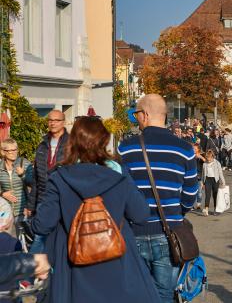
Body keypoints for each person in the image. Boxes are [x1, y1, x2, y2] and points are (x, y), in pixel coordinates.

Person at [31, 116, 161, 303]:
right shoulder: (117, 175)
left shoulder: (59, 178)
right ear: (104, 141)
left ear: (72, 142)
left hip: (72, 267)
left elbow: (43, 224)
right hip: (117, 264)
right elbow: (141, 214)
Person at [118, 94, 198, 302]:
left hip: (134, 230)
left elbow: (121, 190)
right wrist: (175, 213)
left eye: (136, 114)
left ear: (144, 115)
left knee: (137, 294)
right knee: (164, 294)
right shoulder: (184, 149)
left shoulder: (125, 148)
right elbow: (190, 195)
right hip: (169, 232)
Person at [27, 109, 69, 254]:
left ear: (63, 122)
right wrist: (30, 205)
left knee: (60, 238)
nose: (53, 123)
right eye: (50, 120)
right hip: (43, 199)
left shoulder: (71, 144)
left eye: (56, 120)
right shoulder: (42, 145)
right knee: (40, 236)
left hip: (63, 198)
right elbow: (36, 179)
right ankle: (33, 270)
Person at [0, 138, 32, 236]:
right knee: (8, 243)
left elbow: (33, 183)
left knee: (23, 243)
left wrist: (23, 175)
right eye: (11, 150)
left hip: (23, 210)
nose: (14, 153)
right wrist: (2, 193)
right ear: (3, 152)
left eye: (15, 149)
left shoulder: (24, 163)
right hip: (5, 212)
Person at [201, 150, 226, 216]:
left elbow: (220, 173)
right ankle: (206, 210)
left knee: (215, 195)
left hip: (215, 180)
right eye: (207, 158)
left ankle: (215, 209)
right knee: (207, 195)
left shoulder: (217, 163)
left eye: (209, 158)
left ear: (212, 157)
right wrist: (202, 182)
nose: (208, 160)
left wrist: (223, 182)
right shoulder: (204, 164)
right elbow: (203, 174)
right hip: (207, 180)